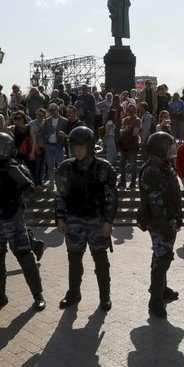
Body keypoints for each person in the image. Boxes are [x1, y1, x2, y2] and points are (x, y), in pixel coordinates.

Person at [0, 132, 47, 313]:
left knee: (26, 259)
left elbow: (30, 192)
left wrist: (15, 174)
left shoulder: (18, 168)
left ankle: (38, 295)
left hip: (14, 222)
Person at [54, 126, 118, 311]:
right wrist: (60, 218)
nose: (78, 151)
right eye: (75, 147)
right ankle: (74, 293)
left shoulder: (104, 168)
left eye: (82, 147)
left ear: (90, 147)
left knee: (100, 260)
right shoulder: (65, 168)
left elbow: (112, 197)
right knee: (74, 260)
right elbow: (60, 195)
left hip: (97, 221)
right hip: (74, 220)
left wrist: (108, 221)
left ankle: (105, 297)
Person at [137, 131, 183, 318]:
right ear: (158, 149)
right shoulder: (152, 171)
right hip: (159, 222)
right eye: (167, 147)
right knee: (163, 258)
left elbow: (173, 193)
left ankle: (161, 289)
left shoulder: (164, 165)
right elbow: (155, 201)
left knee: (160, 255)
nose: (171, 151)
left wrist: (178, 215)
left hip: (168, 218)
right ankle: (155, 301)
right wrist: (164, 225)